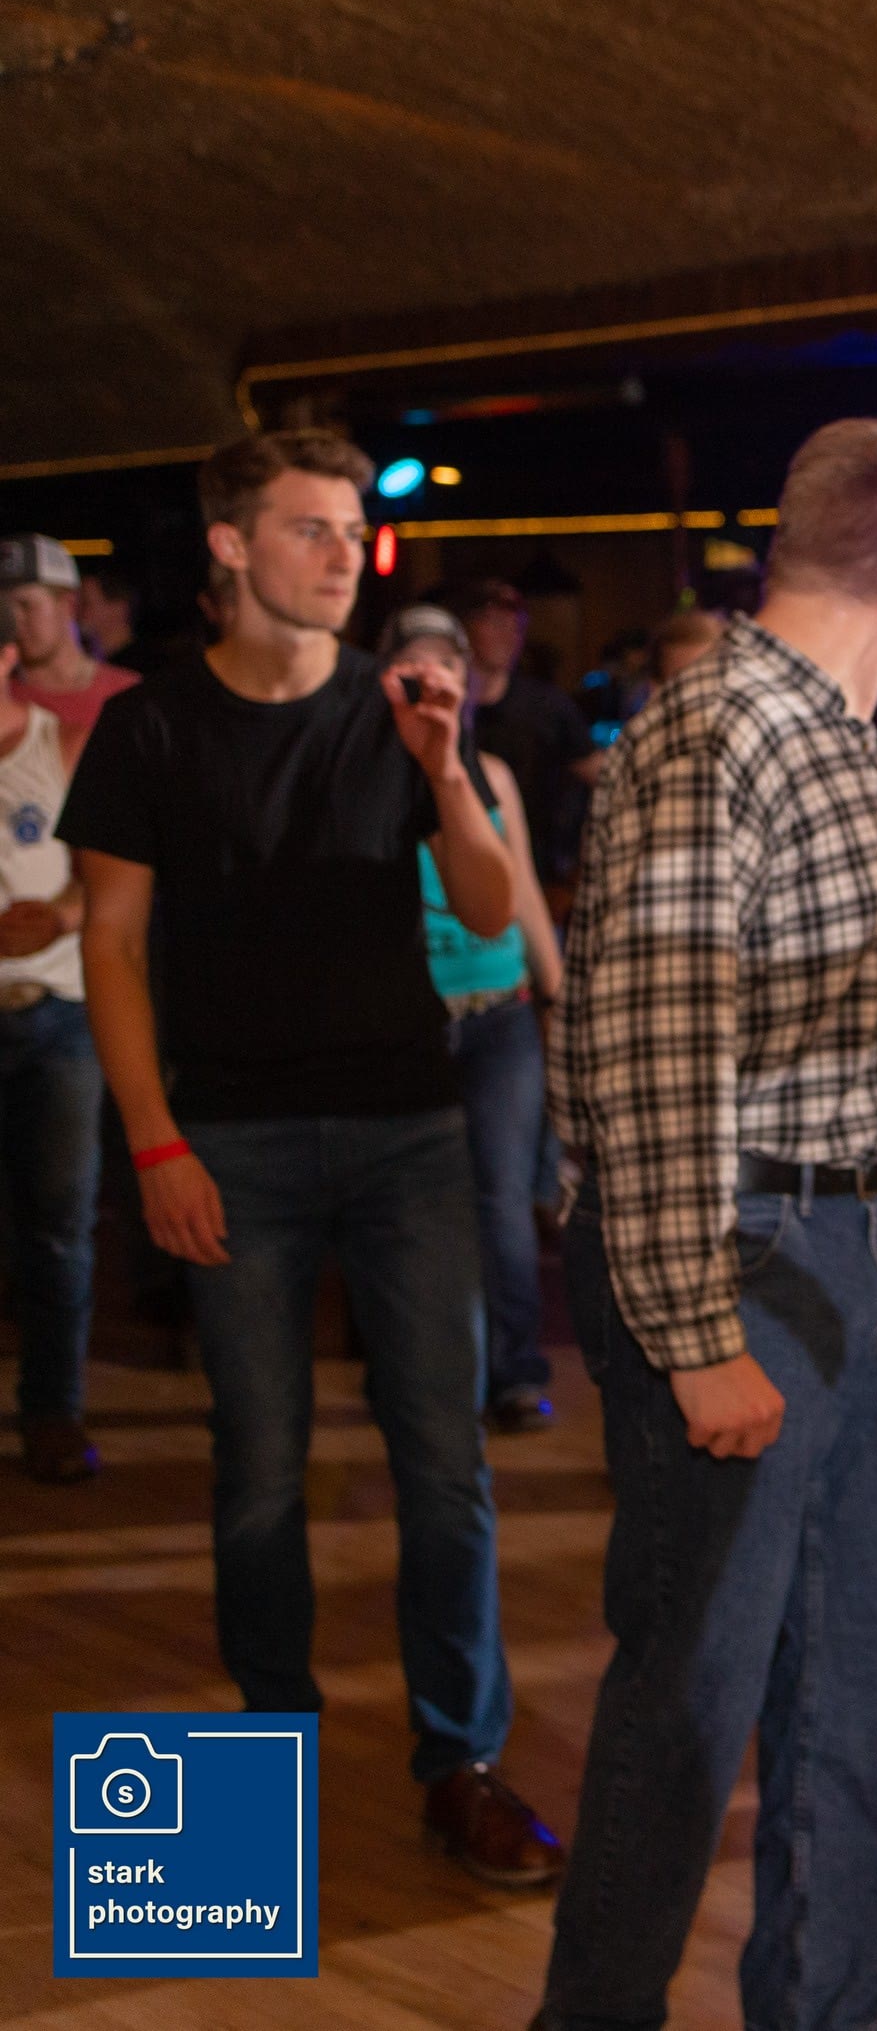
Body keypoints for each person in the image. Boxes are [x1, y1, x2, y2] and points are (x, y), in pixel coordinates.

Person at [61, 431, 561, 1883]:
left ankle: (460, 1759)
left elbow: (486, 904)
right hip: (233, 1141)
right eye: (312, 529)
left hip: (408, 1133)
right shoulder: (151, 727)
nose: (347, 555)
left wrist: (445, 768)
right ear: (230, 546)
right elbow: (111, 946)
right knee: (260, 1471)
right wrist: (156, 1144)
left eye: (355, 531)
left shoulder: (393, 710)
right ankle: (263, 1755)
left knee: (446, 1461)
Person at [537, 419, 877, 2031]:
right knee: (692, 1693)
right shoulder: (717, 728)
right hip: (738, 1252)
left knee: (858, 1673)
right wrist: (694, 1329)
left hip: (854, 1246)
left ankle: (830, 2003)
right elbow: (652, 1057)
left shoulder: (836, 733)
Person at [384, 605, 566, 1433]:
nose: (434, 682)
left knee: (502, 1200)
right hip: (410, 1020)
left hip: (499, 1014)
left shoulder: (489, 774)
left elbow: (520, 884)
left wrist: (557, 994)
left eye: (446, 666)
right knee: (414, 1204)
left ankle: (516, 1373)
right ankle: (427, 1374)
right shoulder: (376, 775)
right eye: (413, 667)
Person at [1, 632, 99, 1482]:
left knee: (59, 1224)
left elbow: (108, 876)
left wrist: (59, 917)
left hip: (56, 1013)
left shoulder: (60, 745)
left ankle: (53, 1410)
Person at [446, 576, 596, 882]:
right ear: (464, 629)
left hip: (536, 870)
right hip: (456, 863)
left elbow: (600, 772)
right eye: (496, 624)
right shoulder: (442, 706)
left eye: (516, 627)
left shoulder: (547, 706)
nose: (509, 636)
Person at [6, 532, 139, 765]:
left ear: (68, 604)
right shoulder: (5, 704)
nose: (15, 621)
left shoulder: (128, 694)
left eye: (26, 605)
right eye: (4, 611)